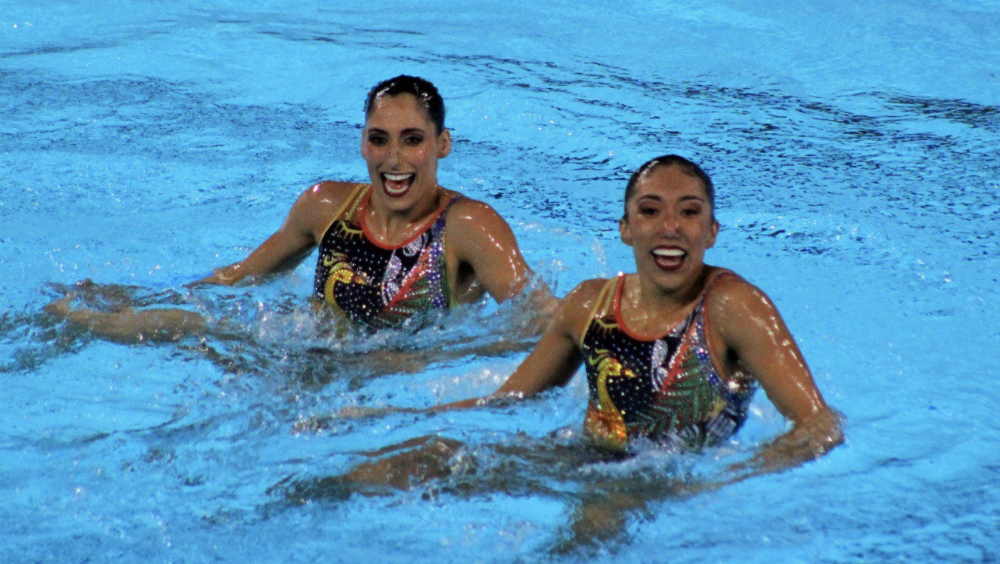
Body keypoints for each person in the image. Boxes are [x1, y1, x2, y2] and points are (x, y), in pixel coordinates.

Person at [321, 154, 843, 490]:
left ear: (711, 232)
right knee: (428, 459)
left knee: (587, 529)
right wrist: (385, 415)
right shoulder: (590, 305)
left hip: (665, 482)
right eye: (650, 211)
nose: (670, 229)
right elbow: (512, 398)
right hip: (587, 457)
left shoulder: (734, 307)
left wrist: (724, 480)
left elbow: (821, 425)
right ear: (624, 229)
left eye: (688, 213)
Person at [47, 75, 555, 341]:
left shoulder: (468, 227)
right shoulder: (326, 207)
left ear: (443, 145)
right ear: (362, 142)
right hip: (311, 347)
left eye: (413, 140)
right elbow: (239, 277)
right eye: (380, 140)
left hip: (393, 377)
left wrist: (442, 361)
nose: (394, 160)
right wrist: (127, 294)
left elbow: (540, 319)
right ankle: (68, 318)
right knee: (193, 326)